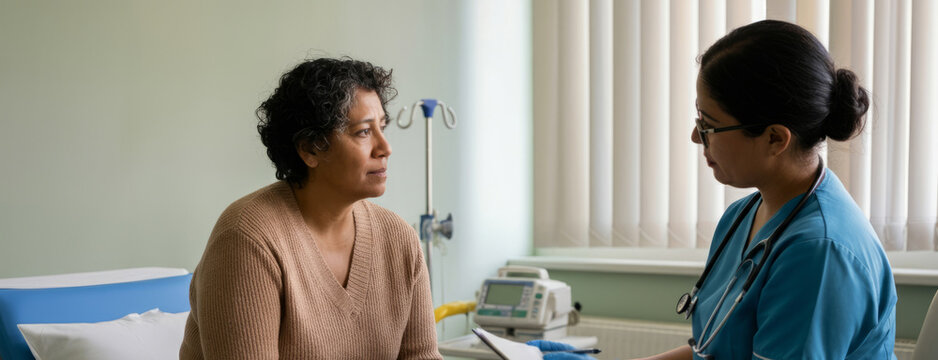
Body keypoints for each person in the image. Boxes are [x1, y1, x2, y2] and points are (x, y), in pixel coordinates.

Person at [532, 20, 897, 359]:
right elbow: (709, 351)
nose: (695, 137)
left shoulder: (819, 253)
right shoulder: (740, 217)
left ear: (775, 138)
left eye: (708, 125)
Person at [179, 57, 442, 359]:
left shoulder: (399, 239)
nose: (385, 148)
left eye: (382, 127)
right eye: (363, 132)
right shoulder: (247, 239)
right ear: (309, 149)